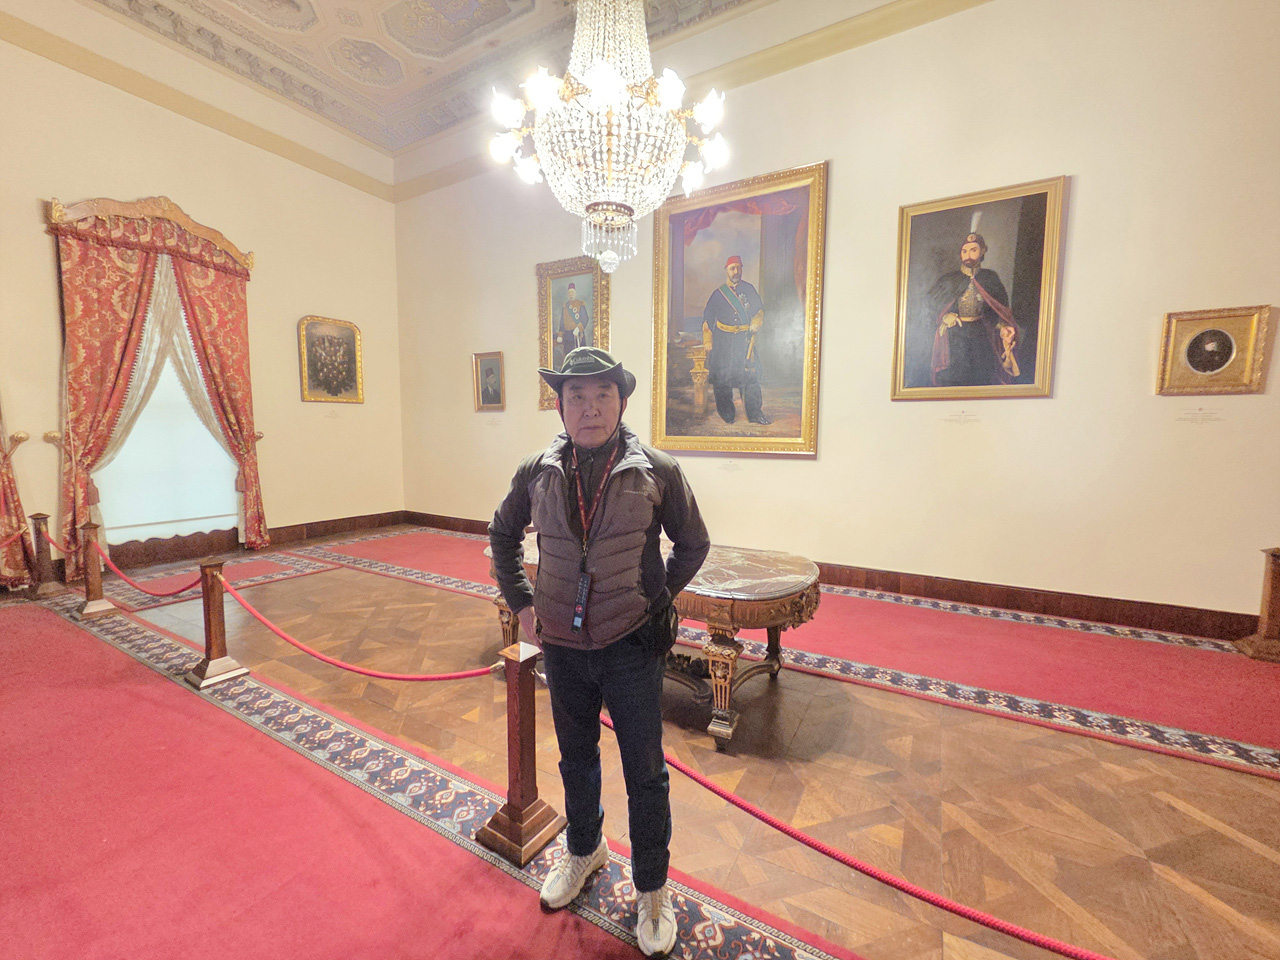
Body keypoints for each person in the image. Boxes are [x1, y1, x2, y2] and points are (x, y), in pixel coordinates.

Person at [489, 347, 710, 958]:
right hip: (562, 645)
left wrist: (655, 596)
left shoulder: (656, 469)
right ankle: (585, 851)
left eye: (602, 395)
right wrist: (524, 604)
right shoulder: (537, 471)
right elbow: (502, 534)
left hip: (630, 644)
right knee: (575, 759)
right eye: (577, 397)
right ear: (560, 406)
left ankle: (652, 888)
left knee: (645, 773)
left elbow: (693, 542)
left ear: (622, 401)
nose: (590, 408)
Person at [927, 233, 1020, 387]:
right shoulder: (949, 280)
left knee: (982, 376)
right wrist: (944, 317)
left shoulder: (990, 278)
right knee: (955, 378)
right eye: (964, 251)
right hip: (955, 336)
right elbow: (929, 307)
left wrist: (1004, 327)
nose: (968, 255)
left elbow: (999, 311)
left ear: (982, 251)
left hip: (981, 335)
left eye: (973, 250)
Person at [701, 255, 771, 425]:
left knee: (750, 376)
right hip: (723, 341)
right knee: (722, 378)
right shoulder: (718, 294)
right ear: (726, 271)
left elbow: (759, 310)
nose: (736, 271)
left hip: (744, 340)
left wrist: (757, 321)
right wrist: (708, 338)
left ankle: (755, 414)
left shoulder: (749, 289)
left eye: (739, 268)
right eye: (732, 268)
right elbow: (708, 318)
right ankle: (727, 413)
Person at [553, 282, 592, 371]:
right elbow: (562, 322)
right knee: (568, 356)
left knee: (580, 356)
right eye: (569, 293)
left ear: (575, 293)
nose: (571, 294)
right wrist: (560, 335)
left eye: (572, 292)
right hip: (567, 335)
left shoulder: (580, 304)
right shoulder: (565, 306)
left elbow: (585, 318)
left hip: (577, 334)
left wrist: (578, 328)